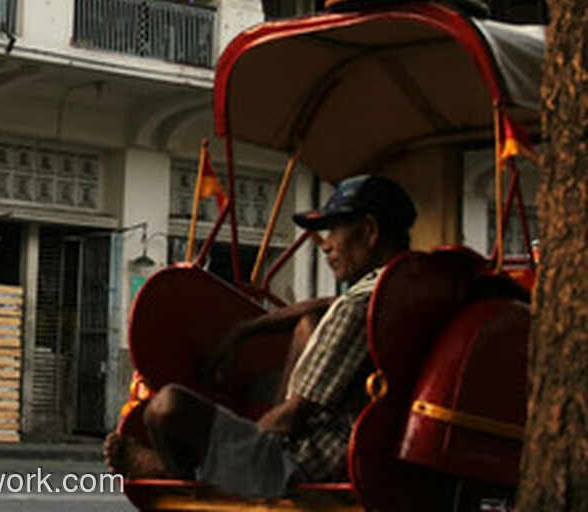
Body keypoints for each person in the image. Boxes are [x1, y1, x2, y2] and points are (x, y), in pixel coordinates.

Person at [104, 174, 417, 498]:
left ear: (369, 231)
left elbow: (291, 418)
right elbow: (324, 306)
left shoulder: (357, 308)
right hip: (371, 446)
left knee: (166, 406)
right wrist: (244, 330)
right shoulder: (402, 289)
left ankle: (181, 473)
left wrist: (241, 442)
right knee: (307, 323)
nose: (325, 245)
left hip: (299, 463)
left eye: (334, 230)